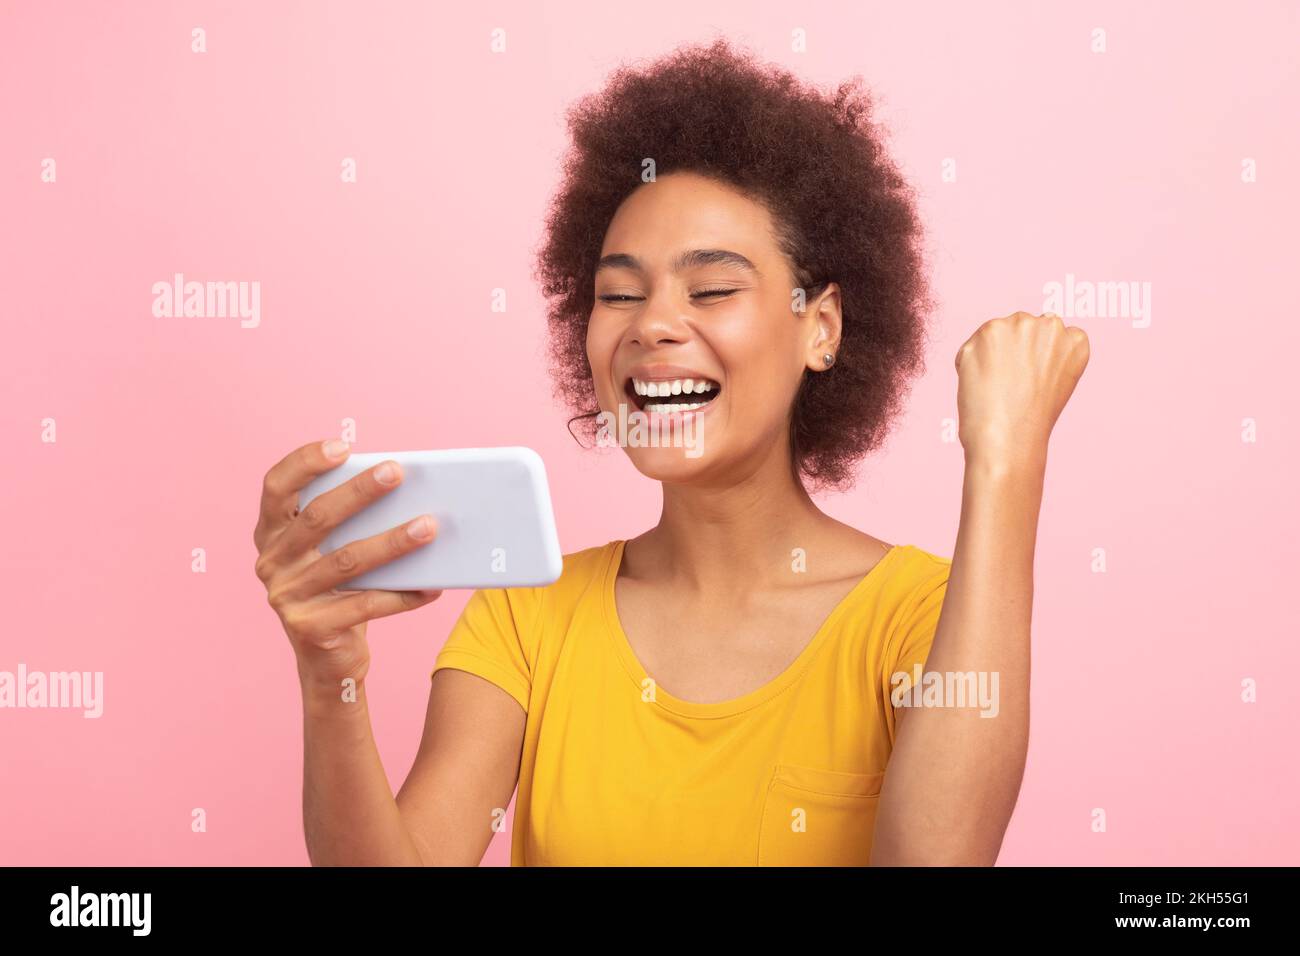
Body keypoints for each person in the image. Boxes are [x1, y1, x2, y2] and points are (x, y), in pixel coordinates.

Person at [251, 39, 1089, 866]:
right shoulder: (526, 616)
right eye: (619, 294)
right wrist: (331, 676)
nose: (651, 325)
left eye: (713, 289)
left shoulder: (924, 616)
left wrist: (1006, 461)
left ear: (821, 327)